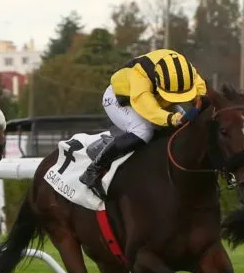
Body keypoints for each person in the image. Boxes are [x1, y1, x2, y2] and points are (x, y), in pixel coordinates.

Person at [77, 48, 208, 199]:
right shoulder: (141, 77)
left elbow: (201, 89)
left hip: (156, 95)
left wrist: (203, 100)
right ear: (159, 80)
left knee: (184, 129)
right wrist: (174, 118)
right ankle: (93, 170)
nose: (178, 98)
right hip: (122, 98)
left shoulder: (185, 69)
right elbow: (150, 111)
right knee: (143, 131)